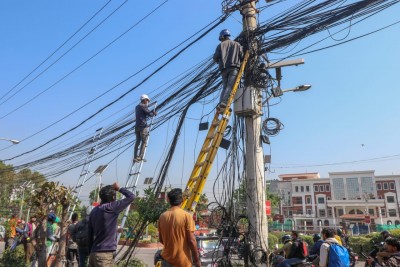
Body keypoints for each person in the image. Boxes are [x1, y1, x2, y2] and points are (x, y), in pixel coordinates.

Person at [88, 182, 135, 266]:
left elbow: (90, 233)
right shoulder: (111, 207)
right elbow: (131, 196)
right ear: (113, 197)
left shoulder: (94, 211)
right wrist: (119, 188)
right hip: (104, 255)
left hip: (94, 253)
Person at [158, 188, 201, 267]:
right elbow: (192, 241)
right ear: (182, 200)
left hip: (166, 261)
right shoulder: (186, 216)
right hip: (182, 262)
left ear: (168, 200)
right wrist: (197, 261)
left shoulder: (162, 216)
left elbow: (161, 239)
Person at [213, 29, 243, 111]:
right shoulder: (237, 44)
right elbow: (242, 56)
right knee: (230, 86)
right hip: (234, 67)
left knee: (225, 86)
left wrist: (218, 60)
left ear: (222, 36)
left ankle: (222, 104)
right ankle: (224, 103)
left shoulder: (220, 45)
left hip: (223, 69)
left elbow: (215, 57)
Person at [134, 94, 156, 162]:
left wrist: (150, 112)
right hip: (142, 126)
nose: (147, 102)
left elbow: (144, 114)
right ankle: (140, 157)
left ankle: (135, 156)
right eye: (147, 101)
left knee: (138, 142)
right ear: (145, 100)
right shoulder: (143, 106)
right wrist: (154, 113)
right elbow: (149, 114)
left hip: (137, 126)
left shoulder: (137, 106)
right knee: (144, 142)